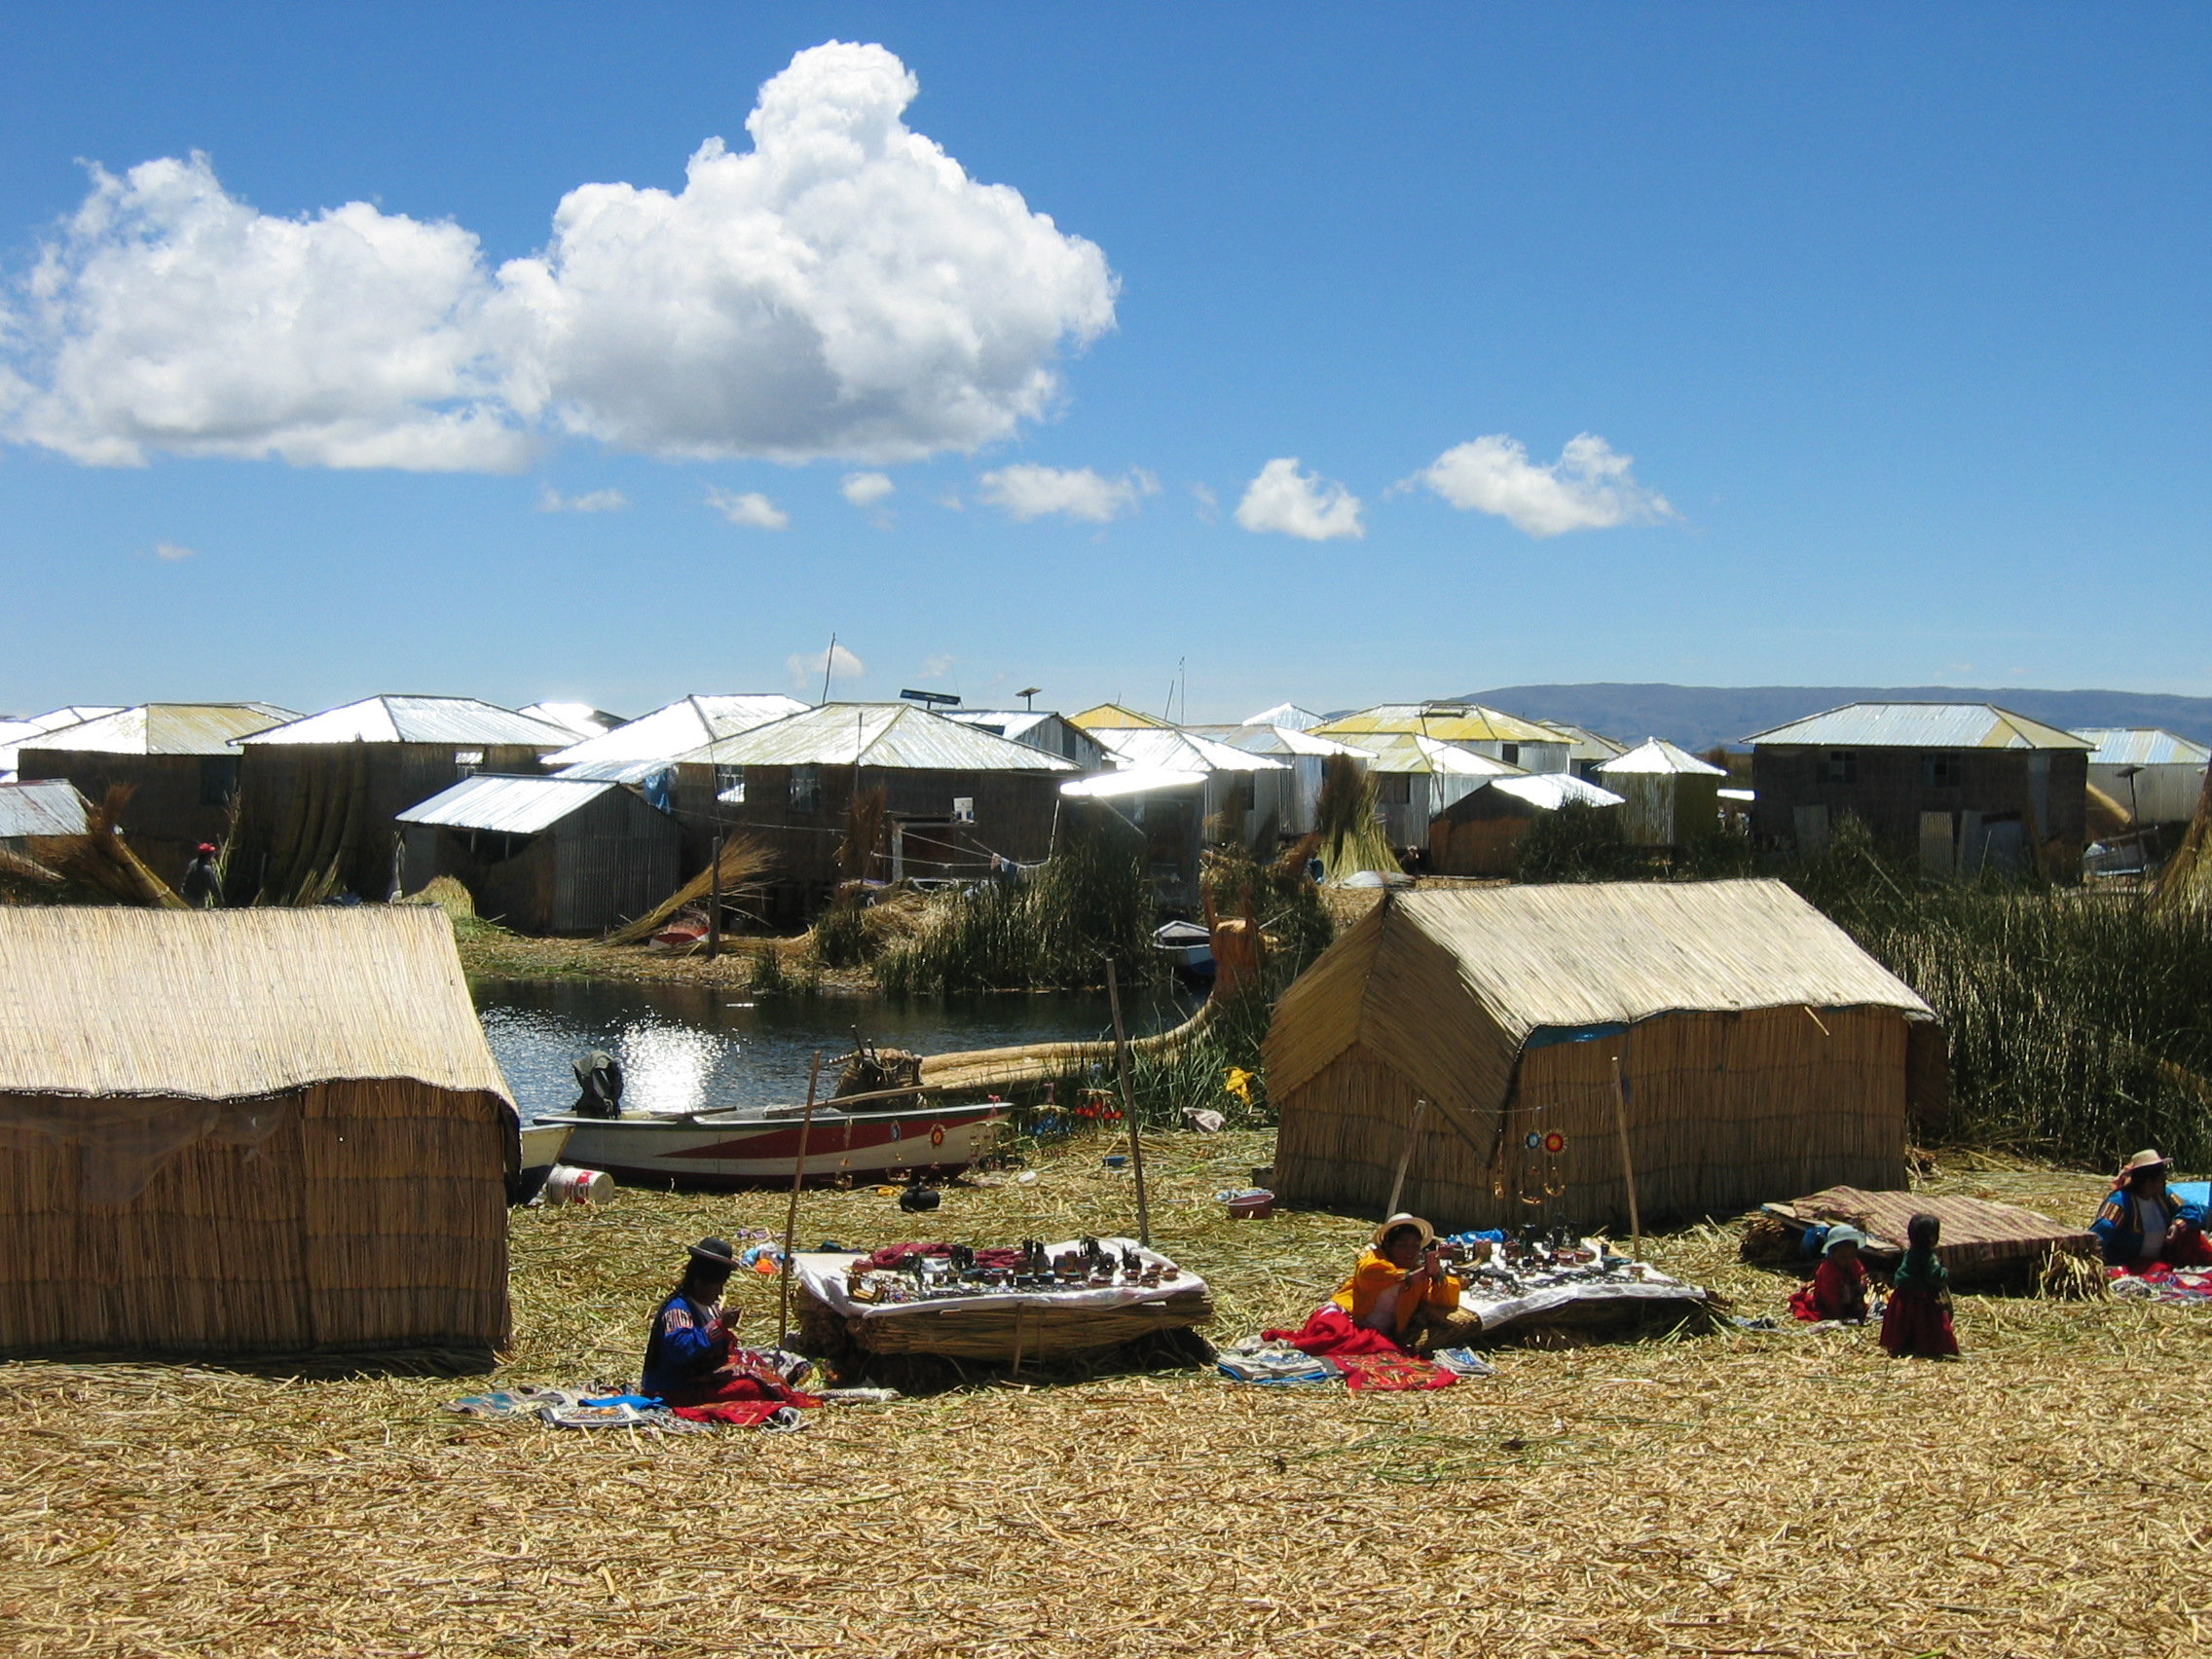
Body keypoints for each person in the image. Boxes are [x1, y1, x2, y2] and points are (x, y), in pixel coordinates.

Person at [1330, 1214, 1480, 1352]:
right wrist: (1409, 1276)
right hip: (1348, 1322)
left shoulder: (1419, 1274)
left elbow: (1445, 1300)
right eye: (1402, 1245)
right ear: (1388, 1245)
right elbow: (1371, 1273)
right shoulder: (1375, 1261)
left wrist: (1437, 1276)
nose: (1410, 1251)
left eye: (1415, 1245)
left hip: (1380, 1334)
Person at [2090, 1149, 2211, 1272]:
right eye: (2161, 1178)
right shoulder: (2120, 1202)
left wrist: (2177, 1224)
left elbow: (2190, 1209)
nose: (2165, 1181)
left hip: (2162, 1256)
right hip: (2131, 1262)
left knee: (2190, 1231)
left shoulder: (2164, 1195)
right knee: (2160, 1271)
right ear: (2148, 1181)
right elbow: (2101, 1233)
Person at [1879, 1212, 1960, 1360]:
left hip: (1902, 1295)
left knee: (1904, 1322)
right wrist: (1944, 1273)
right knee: (1927, 1323)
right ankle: (1931, 1348)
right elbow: (1934, 1276)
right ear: (1932, 1238)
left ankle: (1903, 1346)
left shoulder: (1909, 1253)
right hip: (1922, 1298)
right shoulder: (1929, 1257)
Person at [1788, 1226, 1871, 1323]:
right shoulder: (1828, 1270)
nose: (1847, 1260)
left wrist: (1861, 1285)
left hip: (1850, 1299)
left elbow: (1861, 1275)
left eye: (1851, 1255)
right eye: (1842, 1256)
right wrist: (1840, 1317)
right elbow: (1831, 1298)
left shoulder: (1855, 1264)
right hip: (1829, 1305)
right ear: (1833, 1254)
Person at [179, 843, 221, 908]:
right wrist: (220, 899)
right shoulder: (207, 870)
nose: (212, 856)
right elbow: (214, 887)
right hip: (195, 901)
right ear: (207, 856)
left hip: (184, 895)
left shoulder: (192, 863)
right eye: (211, 854)